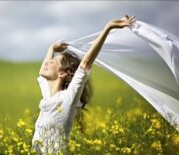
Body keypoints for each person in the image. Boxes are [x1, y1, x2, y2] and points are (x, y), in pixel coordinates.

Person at [31, 15, 136, 154]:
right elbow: (41, 72)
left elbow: (85, 64)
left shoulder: (67, 99)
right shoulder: (48, 97)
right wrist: (51, 49)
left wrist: (108, 28)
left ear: (63, 73)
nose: (47, 62)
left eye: (52, 61)